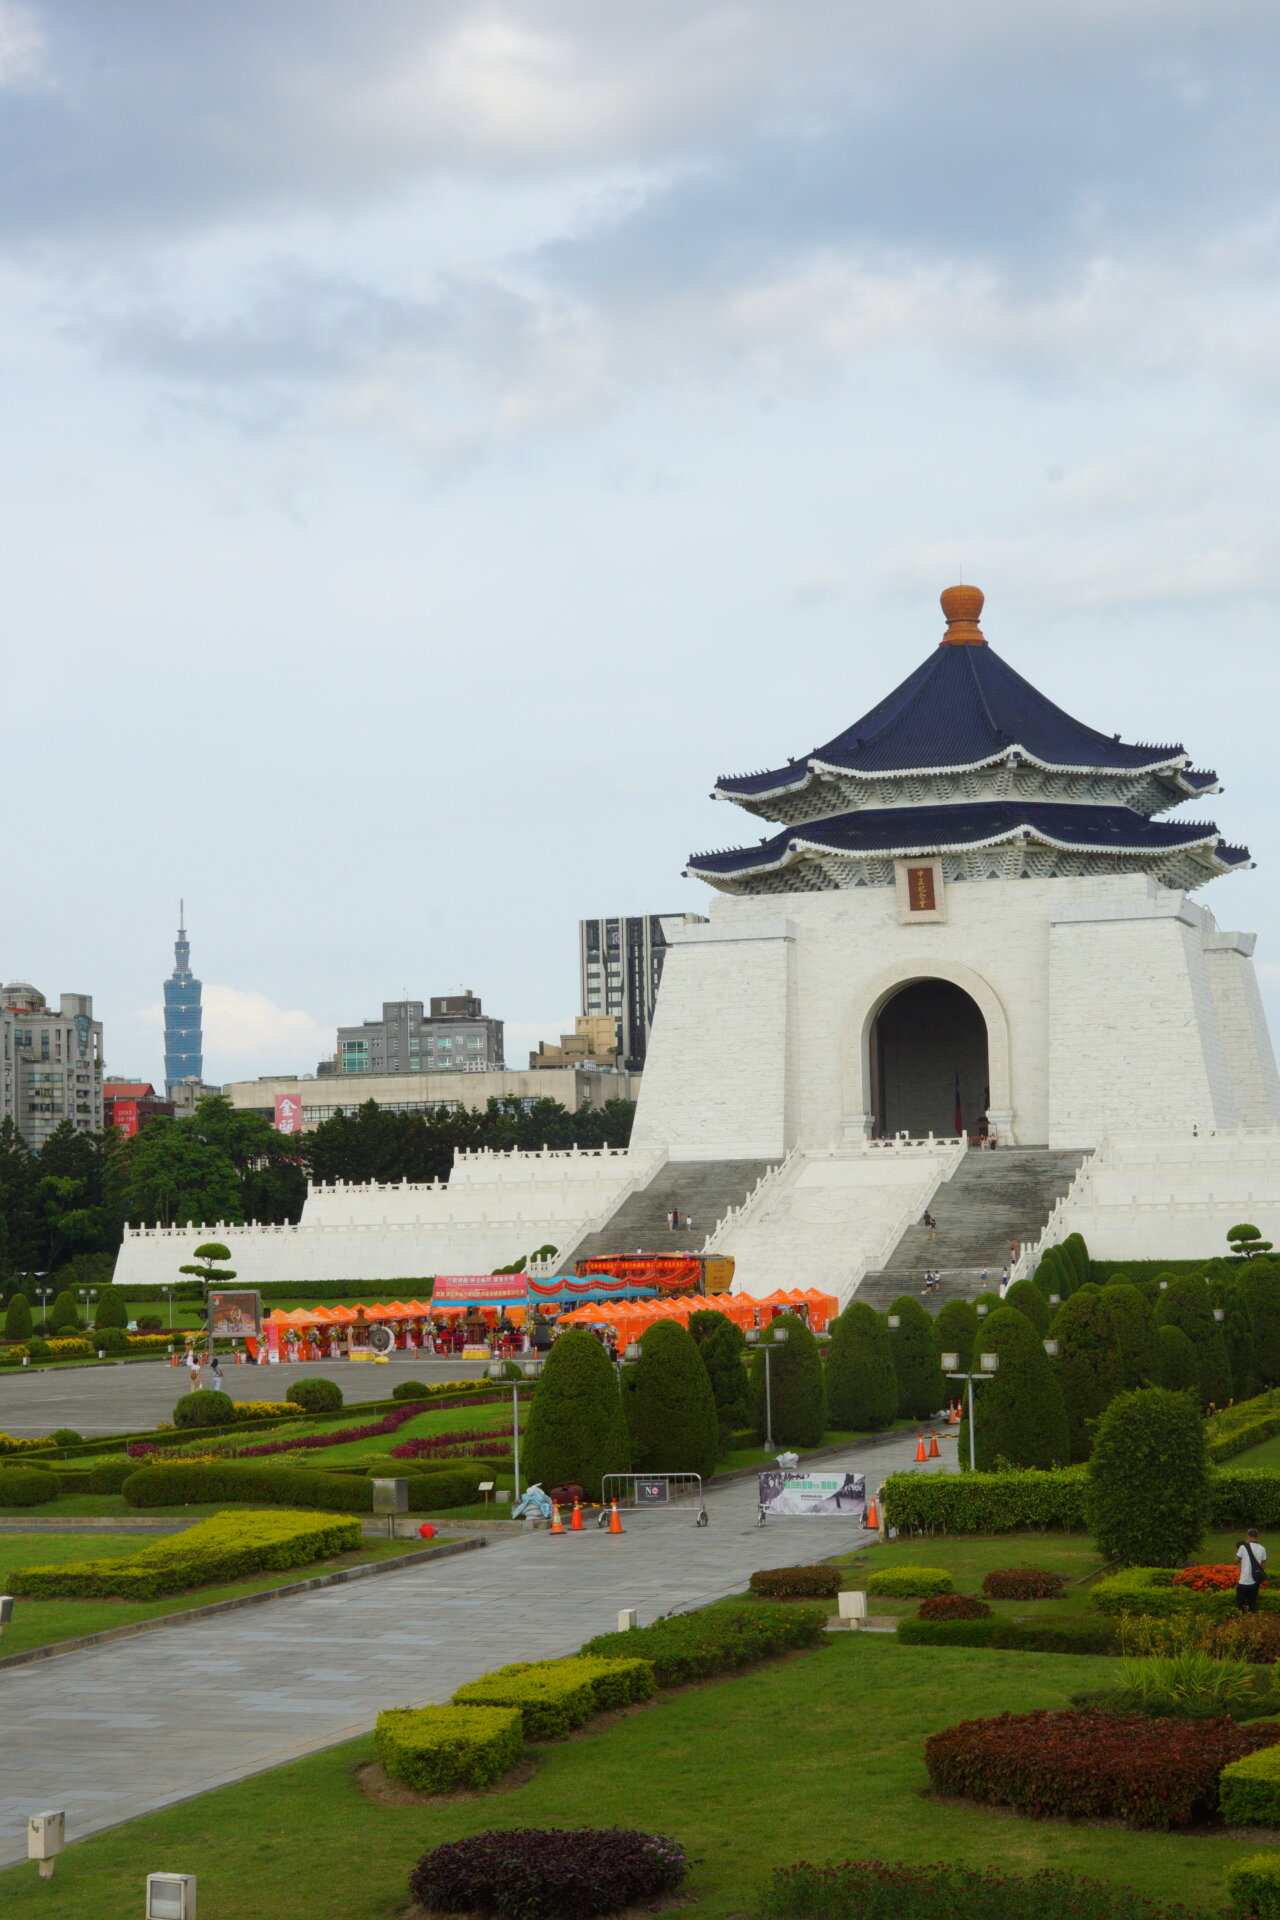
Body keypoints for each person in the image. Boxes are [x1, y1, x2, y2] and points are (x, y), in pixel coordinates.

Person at [1237, 1529, 1268, 1611]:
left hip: (1244, 1580)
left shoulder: (1242, 1547)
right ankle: (1252, 1618)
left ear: (1248, 1536)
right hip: (1255, 1581)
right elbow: (1263, 1566)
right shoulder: (1262, 1548)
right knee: (1252, 1603)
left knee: (1240, 1604)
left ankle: (1242, 1620)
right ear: (1257, 1537)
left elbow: (1235, 1560)